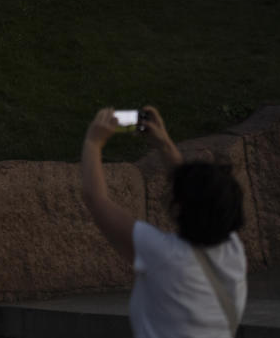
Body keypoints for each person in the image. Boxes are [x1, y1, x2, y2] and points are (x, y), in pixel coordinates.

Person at [81, 107, 247, 338]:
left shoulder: (163, 255)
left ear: (179, 207)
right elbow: (198, 195)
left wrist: (93, 141)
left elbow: (95, 198)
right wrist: (164, 144)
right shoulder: (234, 251)